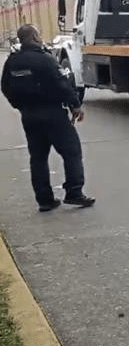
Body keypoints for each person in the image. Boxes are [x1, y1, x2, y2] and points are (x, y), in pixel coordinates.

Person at [1, 24, 95, 212]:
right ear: (35, 37)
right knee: (72, 152)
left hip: (29, 116)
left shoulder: (12, 62)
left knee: (38, 158)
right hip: (53, 114)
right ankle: (74, 193)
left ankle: (45, 200)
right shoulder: (45, 60)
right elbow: (62, 84)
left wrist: (21, 106)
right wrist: (75, 105)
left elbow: (5, 87)